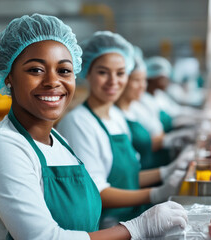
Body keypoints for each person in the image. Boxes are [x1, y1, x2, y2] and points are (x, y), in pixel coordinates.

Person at [0, 14, 188, 240]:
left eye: (64, 70)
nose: (53, 82)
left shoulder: (58, 142)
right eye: (35, 70)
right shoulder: (1, 147)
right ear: (8, 77)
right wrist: (135, 229)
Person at [57, 31, 188, 228]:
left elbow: (127, 177)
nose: (113, 81)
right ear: (86, 73)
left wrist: (167, 172)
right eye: (103, 72)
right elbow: (96, 191)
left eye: (120, 73)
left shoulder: (116, 117)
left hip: (134, 216)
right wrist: (155, 193)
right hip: (109, 226)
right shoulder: (78, 122)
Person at [115, 46, 195, 170]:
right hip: (146, 171)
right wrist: (171, 139)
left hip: (152, 169)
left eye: (143, 80)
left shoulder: (137, 106)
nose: (142, 86)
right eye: (136, 80)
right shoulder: (118, 113)